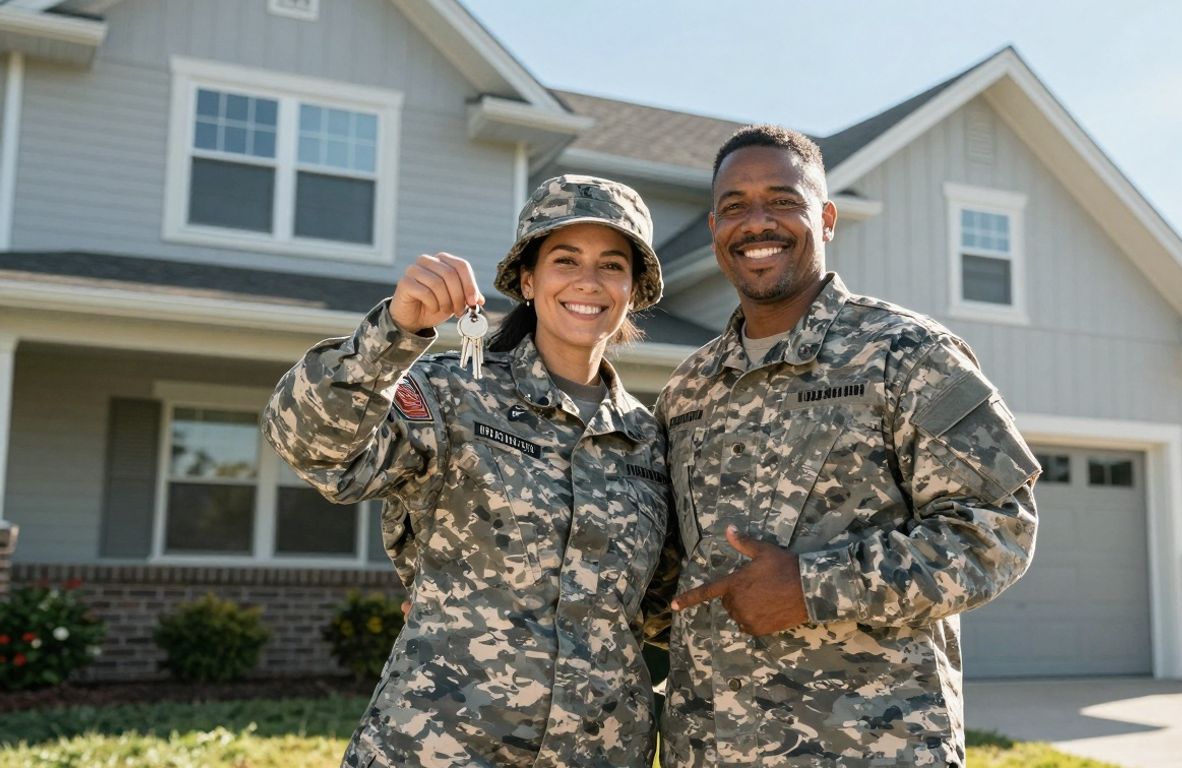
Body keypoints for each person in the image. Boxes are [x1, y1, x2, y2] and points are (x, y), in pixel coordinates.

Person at [654, 125, 1040, 767]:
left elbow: (999, 529)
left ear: (825, 218)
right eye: (735, 206)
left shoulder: (906, 354)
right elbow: (660, 564)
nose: (757, 222)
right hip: (711, 746)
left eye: (782, 200)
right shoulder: (688, 390)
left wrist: (811, 585)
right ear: (714, 228)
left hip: (866, 747)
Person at [263, 175, 672, 767]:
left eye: (612, 265)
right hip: (442, 743)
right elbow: (314, 448)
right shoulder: (455, 393)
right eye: (565, 259)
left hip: (597, 751)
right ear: (528, 280)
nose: (589, 281)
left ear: (634, 289)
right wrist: (394, 334)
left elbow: (664, 609)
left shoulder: (648, 441)